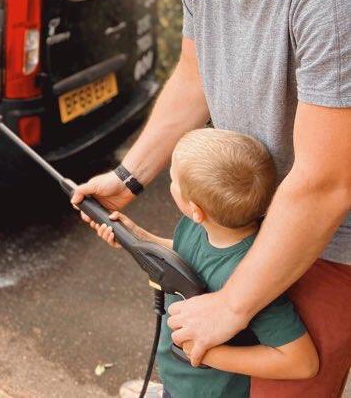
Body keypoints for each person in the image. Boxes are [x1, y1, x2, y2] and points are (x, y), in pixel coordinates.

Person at [68, 0, 350, 396]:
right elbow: (193, 74)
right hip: (234, 221)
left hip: (325, 246)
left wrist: (233, 305)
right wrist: (130, 176)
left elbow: (327, 181)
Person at [95, 128, 318, 397]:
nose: (170, 183)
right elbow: (186, 255)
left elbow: (302, 363)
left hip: (208, 391)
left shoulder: (254, 276)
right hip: (178, 373)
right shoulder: (196, 227)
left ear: (196, 209)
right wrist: (140, 237)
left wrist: (210, 354)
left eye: (174, 180)